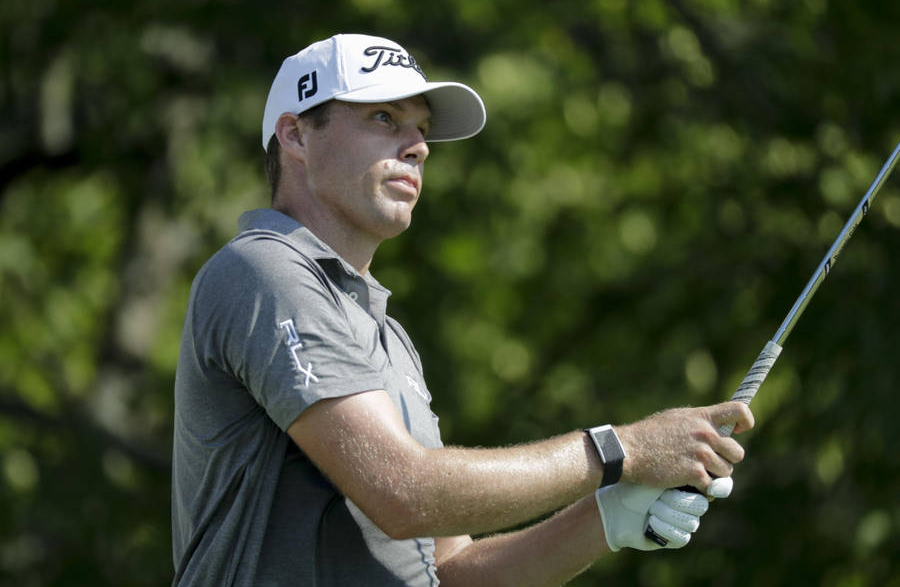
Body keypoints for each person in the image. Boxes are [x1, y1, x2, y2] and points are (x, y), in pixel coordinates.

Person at [171, 33, 754, 586]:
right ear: (296, 135)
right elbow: (402, 491)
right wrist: (624, 450)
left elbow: (452, 572)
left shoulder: (389, 336)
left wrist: (606, 518)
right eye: (384, 118)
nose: (419, 146)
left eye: (422, 129)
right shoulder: (262, 269)